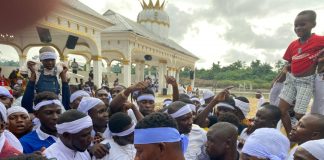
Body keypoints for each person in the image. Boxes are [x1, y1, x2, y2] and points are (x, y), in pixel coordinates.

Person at [279, 10, 324, 134]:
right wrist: (280, 76)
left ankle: (303, 135)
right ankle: (290, 134)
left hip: (306, 82)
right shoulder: (293, 45)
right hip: (291, 79)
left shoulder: (319, 40)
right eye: (296, 25)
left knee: (299, 114)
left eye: (302, 24)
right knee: (281, 110)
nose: (298, 28)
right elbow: (288, 62)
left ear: (313, 24)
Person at [22, 46, 70, 112]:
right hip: (39, 104)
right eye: (46, 60)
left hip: (55, 104)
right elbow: (26, 100)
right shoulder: (37, 69)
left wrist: (63, 76)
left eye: (52, 60)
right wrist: (33, 72)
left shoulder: (59, 69)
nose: (50, 62)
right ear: (41, 60)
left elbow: (67, 101)